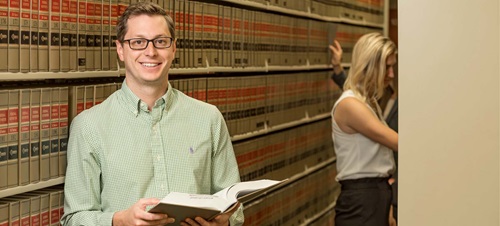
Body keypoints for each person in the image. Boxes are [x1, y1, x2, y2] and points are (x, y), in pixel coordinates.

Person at [61, 2, 244, 226]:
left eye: (160, 41)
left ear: (173, 48)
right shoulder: (89, 125)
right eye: (138, 42)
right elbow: (74, 218)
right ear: (120, 49)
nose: (151, 51)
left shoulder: (209, 118)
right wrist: (120, 221)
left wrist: (224, 222)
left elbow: (234, 209)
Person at [329, 33, 398, 226]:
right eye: (388, 67)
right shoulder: (350, 105)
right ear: (371, 66)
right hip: (362, 202)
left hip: (376, 195)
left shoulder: (368, 102)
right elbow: (397, 143)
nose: (391, 74)